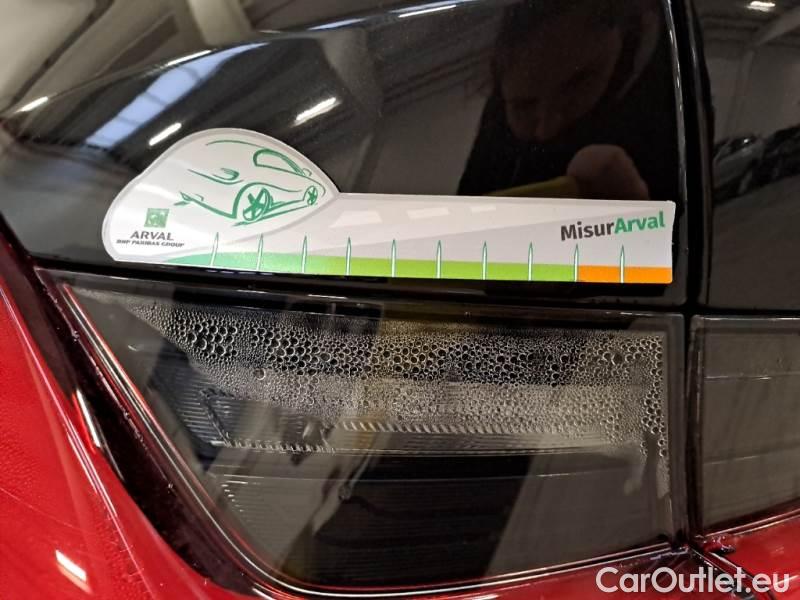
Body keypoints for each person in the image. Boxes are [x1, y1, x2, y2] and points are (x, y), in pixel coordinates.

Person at [459, 0, 678, 201]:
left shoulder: (672, 90)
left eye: (577, 84)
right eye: (524, 105)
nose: (546, 129)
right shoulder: (498, 122)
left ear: (620, 39)